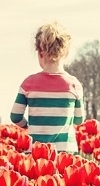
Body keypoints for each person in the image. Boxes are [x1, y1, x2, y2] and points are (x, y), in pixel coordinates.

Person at [10, 21, 84, 154]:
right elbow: (79, 119)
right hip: (65, 151)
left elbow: (15, 116)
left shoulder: (29, 83)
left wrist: (28, 125)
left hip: (36, 151)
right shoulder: (74, 84)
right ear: (66, 53)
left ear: (40, 53)